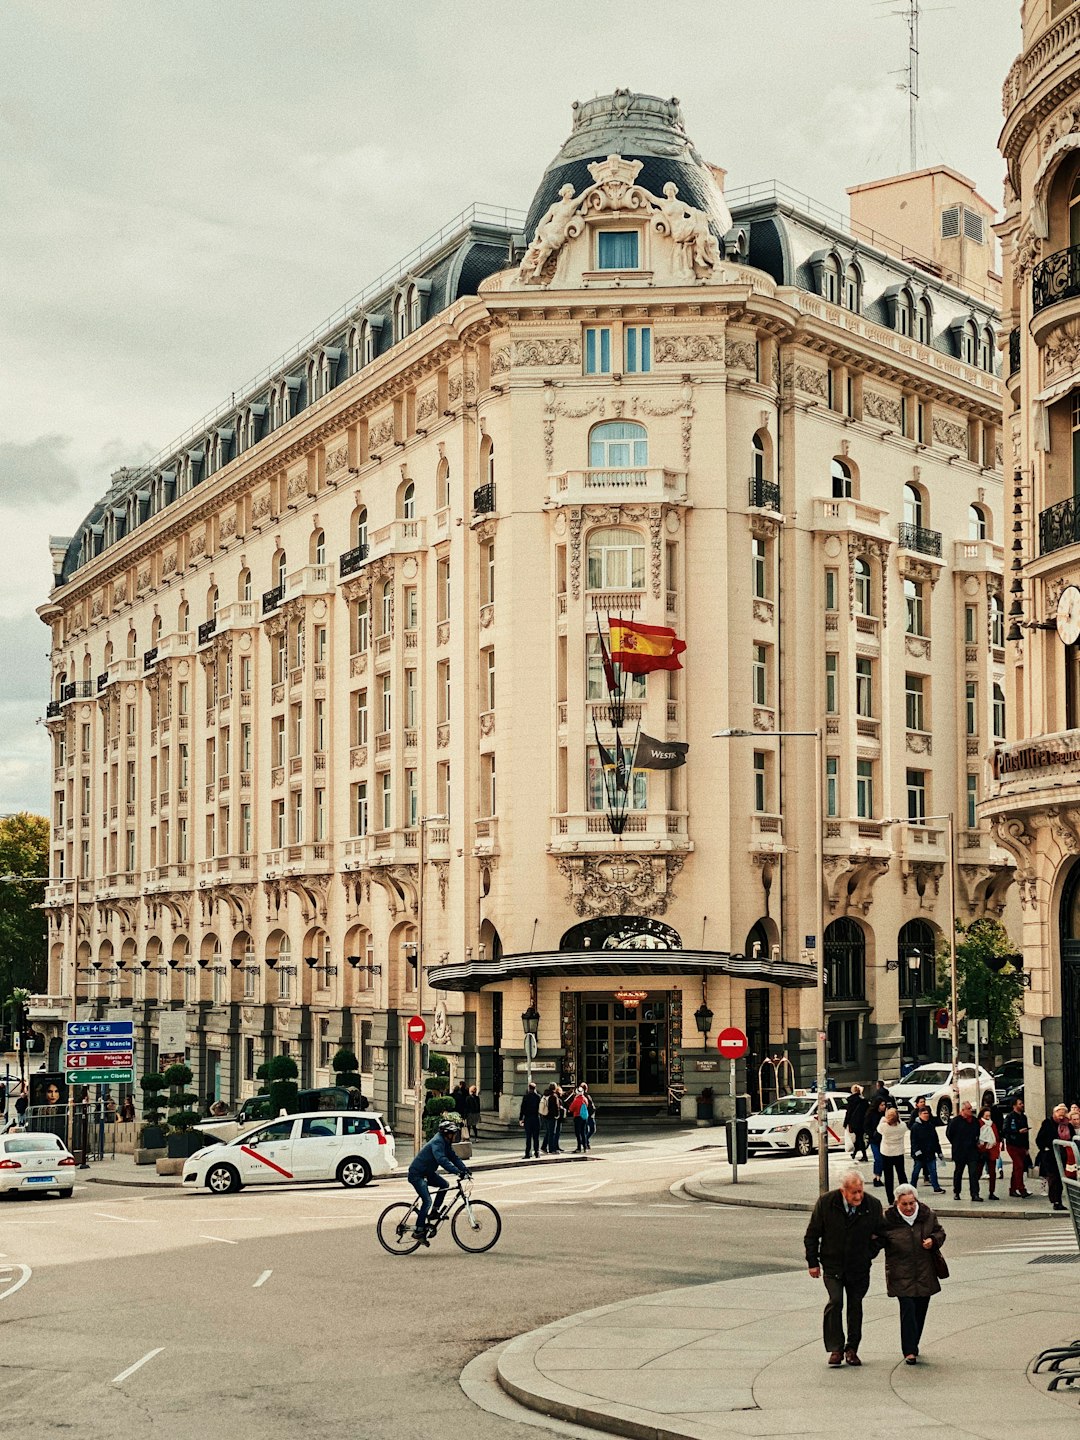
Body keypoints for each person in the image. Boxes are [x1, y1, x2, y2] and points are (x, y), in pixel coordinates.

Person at [803, 1167, 884, 1367]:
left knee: (855, 1305)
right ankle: (836, 1348)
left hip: (859, 1266)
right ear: (843, 1191)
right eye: (853, 1192)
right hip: (833, 1264)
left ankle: (852, 1349)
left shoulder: (872, 1205)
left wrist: (869, 1252)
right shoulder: (826, 1203)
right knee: (836, 1301)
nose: (858, 1196)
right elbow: (812, 1235)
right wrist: (813, 1262)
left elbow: (881, 1235)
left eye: (860, 1191)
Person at [877, 1183, 947, 1365]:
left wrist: (933, 1240)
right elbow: (876, 1240)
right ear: (896, 1203)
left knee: (920, 1310)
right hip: (900, 1272)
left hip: (925, 1271)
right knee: (907, 1308)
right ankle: (909, 1350)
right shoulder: (888, 1219)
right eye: (904, 1204)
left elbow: (940, 1232)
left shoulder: (927, 1215)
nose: (909, 1208)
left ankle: (913, 1343)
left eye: (911, 1203)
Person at [406, 1116, 471, 1241]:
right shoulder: (438, 1142)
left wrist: (464, 1169)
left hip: (428, 1172)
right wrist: (457, 1172)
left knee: (444, 1185)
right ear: (447, 1134)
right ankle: (419, 1231)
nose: (455, 1136)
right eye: (453, 1134)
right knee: (427, 1201)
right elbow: (441, 1159)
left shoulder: (446, 1143)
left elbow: (453, 1157)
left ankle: (435, 1212)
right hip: (417, 1174)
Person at [1035, 1104, 1075, 1212]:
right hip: (1050, 1156)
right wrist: (1046, 1148)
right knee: (1054, 1178)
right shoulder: (1048, 1123)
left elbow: (1073, 1138)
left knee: (1062, 1178)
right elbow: (1039, 1139)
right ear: (1054, 1114)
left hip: (1065, 1155)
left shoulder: (1068, 1125)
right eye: (1059, 1115)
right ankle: (1056, 1201)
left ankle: (1059, 1200)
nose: (1061, 1117)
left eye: (1063, 1115)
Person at [946, 1101, 982, 1201]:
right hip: (960, 1151)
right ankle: (957, 1192)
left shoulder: (974, 1121)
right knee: (958, 1172)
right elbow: (949, 1134)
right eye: (969, 1109)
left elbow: (978, 1133)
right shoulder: (955, 1121)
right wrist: (956, 1143)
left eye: (971, 1108)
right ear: (963, 1110)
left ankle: (975, 1194)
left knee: (973, 1173)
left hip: (972, 1151)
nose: (971, 1110)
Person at [909, 1106, 945, 1194]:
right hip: (920, 1154)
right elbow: (914, 1141)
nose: (926, 1115)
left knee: (933, 1171)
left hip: (930, 1153)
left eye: (927, 1113)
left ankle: (936, 1187)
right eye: (924, 1113)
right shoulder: (915, 1127)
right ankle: (912, 1187)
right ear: (920, 1115)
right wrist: (917, 1152)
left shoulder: (930, 1126)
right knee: (916, 1171)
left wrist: (939, 1151)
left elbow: (935, 1140)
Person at [1002, 1095, 1031, 1197]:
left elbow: (1027, 1133)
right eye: (1020, 1104)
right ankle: (1021, 1188)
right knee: (1019, 1165)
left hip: (1021, 1145)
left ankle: (1013, 1189)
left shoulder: (1023, 1117)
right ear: (1014, 1106)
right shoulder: (1009, 1117)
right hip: (1012, 1144)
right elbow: (1005, 1130)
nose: (1022, 1105)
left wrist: (1027, 1147)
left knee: (1017, 1168)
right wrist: (1017, 1131)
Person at [877, 1107, 908, 1203]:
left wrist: (884, 1118)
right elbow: (901, 1122)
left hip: (886, 1153)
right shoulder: (902, 1126)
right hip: (898, 1152)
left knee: (888, 1177)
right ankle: (905, 1194)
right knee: (901, 1174)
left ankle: (890, 1199)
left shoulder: (884, 1127)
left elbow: (878, 1128)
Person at [976, 1105, 1002, 1200]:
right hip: (982, 1151)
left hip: (991, 1150)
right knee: (978, 1172)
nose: (988, 1117)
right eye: (986, 1116)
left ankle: (992, 1192)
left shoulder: (993, 1124)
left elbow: (996, 1137)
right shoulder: (979, 1123)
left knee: (992, 1173)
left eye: (989, 1116)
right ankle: (975, 1192)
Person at [866, 1097, 888, 1187]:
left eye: (884, 1105)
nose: (883, 1106)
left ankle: (879, 1176)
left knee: (883, 1160)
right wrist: (872, 1134)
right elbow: (866, 1126)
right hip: (874, 1140)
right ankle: (876, 1177)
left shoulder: (884, 1114)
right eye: (882, 1105)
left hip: (883, 1140)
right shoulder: (871, 1114)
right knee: (878, 1159)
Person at [845, 1085, 869, 1161]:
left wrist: (846, 1122)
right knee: (859, 1137)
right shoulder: (864, 1100)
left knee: (859, 1138)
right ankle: (855, 1153)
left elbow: (849, 1112)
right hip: (862, 1122)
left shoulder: (851, 1100)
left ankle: (863, 1155)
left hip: (854, 1122)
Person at [519, 1082, 541, 1159]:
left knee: (528, 1137)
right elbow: (540, 1109)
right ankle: (537, 1153)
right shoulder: (538, 1097)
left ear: (529, 1088)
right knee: (536, 1137)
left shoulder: (526, 1097)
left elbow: (522, 1108)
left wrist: (521, 1118)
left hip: (528, 1119)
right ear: (535, 1088)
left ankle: (527, 1153)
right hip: (536, 1118)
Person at [567, 1087, 591, 1152]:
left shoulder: (576, 1100)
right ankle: (585, 1147)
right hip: (584, 1117)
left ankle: (579, 1148)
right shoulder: (585, 1099)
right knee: (583, 1132)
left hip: (577, 1117)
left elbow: (571, 1109)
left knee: (578, 1133)